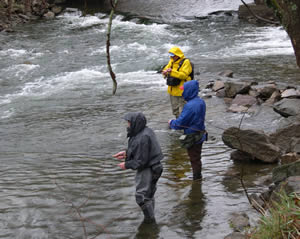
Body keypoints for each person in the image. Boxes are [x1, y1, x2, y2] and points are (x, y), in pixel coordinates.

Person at [113, 112, 163, 223]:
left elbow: (141, 161)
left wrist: (126, 164)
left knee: (141, 197)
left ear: (136, 123)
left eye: (129, 123)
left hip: (150, 168)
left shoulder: (143, 136)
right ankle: (151, 218)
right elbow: (142, 151)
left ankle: (150, 222)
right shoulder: (144, 131)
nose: (127, 125)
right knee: (148, 195)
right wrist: (126, 154)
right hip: (154, 167)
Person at [168, 80, 206, 180]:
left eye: (184, 90)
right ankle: (197, 176)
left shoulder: (190, 106)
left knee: (194, 158)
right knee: (196, 157)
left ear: (189, 91)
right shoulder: (200, 101)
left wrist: (171, 122)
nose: (182, 92)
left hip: (193, 136)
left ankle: (197, 178)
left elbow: (180, 124)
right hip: (200, 134)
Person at [162, 46, 193, 118]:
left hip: (182, 89)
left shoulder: (186, 62)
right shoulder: (171, 61)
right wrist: (164, 73)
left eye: (173, 56)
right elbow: (165, 71)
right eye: (171, 56)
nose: (172, 57)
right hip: (172, 89)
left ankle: (185, 122)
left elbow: (184, 75)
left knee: (184, 108)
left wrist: (172, 72)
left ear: (178, 55)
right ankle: (178, 121)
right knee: (175, 109)